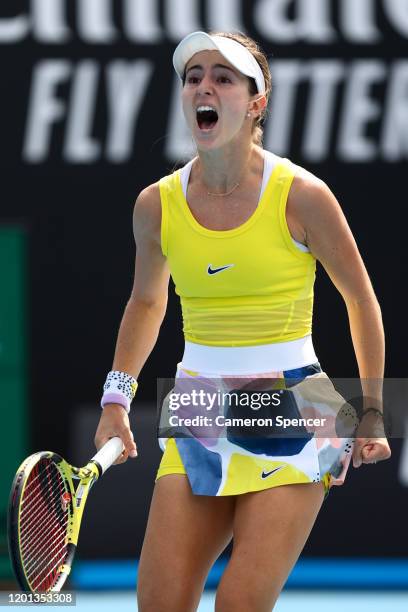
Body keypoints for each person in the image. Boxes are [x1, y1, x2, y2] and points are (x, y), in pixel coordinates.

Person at [94, 30, 391, 612]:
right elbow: (147, 304)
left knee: (239, 606)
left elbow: (361, 300)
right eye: (194, 76)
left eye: (223, 77)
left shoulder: (303, 195)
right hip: (199, 405)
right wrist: (115, 401)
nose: (204, 86)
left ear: (255, 103)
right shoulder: (155, 205)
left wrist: (375, 409)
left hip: (300, 407)